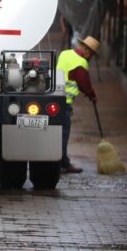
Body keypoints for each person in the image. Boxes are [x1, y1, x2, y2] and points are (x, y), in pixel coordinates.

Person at [56, 36, 99, 174]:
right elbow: (83, 82)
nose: (90, 57)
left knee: (59, 133)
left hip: (56, 97)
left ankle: (62, 162)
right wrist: (91, 95)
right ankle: (61, 164)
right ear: (86, 49)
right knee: (63, 134)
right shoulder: (81, 62)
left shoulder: (65, 53)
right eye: (91, 54)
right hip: (65, 102)